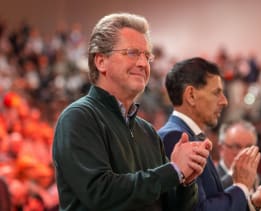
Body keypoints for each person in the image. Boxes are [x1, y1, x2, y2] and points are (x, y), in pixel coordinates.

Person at [52, 13, 212, 211]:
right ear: (101, 61)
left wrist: (185, 180)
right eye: (132, 53)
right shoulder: (78, 117)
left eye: (147, 56)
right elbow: (101, 194)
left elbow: (171, 206)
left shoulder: (148, 132)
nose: (143, 64)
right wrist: (173, 170)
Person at [158, 57, 261, 211]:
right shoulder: (177, 137)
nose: (224, 101)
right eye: (216, 93)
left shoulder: (189, 135)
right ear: (191, 95)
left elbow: (211, 199)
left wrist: (252, 201)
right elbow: (200, 209)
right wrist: (241, 187)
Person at [217, 120, 261, 211]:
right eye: (236, 146)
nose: (243, 153)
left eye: (249, 147)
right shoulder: (213, 182)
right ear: (221, 149)